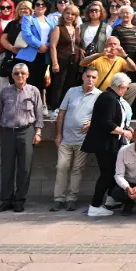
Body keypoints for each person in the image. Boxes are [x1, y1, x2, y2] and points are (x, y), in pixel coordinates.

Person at [0, 62, 44, 213]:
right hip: (8, 132)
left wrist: (38, 132)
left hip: (26, 131)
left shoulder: (33, 91)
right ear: (12, 75)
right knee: (7, 168)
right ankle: (6, 200)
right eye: (16, 73)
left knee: (24, 168)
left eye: (22, 73)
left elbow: (39, 113)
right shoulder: (5, 92)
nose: (20, 76)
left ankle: (19, 199)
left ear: (27, 75)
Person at [50, 69, 100, 212]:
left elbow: (101, 116)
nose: (90, 79)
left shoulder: (99, 95)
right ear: (83, 77)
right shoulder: (72, 91)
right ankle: (58, 199)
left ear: (97, 79)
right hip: (66, 139)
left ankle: (72, 199)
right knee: (61, 167)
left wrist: (91, 122)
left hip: (83, 140)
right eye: (88, 76)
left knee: (77, 170)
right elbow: (62, 113)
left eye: (93, 77)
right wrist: (58, 135)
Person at [83, 72, 132, 217]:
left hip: (108, 143)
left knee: (109, 173)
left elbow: (114, 120)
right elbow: (107, 123)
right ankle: (95, 205)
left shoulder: (111, 97)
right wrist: (124, 132)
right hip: (104, 144)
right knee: (107, 174)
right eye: (127, 88)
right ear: (121, 86)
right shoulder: (109, 98)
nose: (127, 91)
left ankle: (109, 201)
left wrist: (126, 127)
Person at [48, 4, 83, 112]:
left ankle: (66, 106)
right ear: (63, 14)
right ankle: (55, 107)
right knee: (59, 83)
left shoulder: (77, 29)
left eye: (73, 14)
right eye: (67, 13)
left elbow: (77, 44)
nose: (70, 16)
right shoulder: (58, 28)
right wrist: (55, 63)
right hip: (61, 59)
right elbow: (53, 46)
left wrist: (81, 51)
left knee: (70, 84)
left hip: (74, 60)